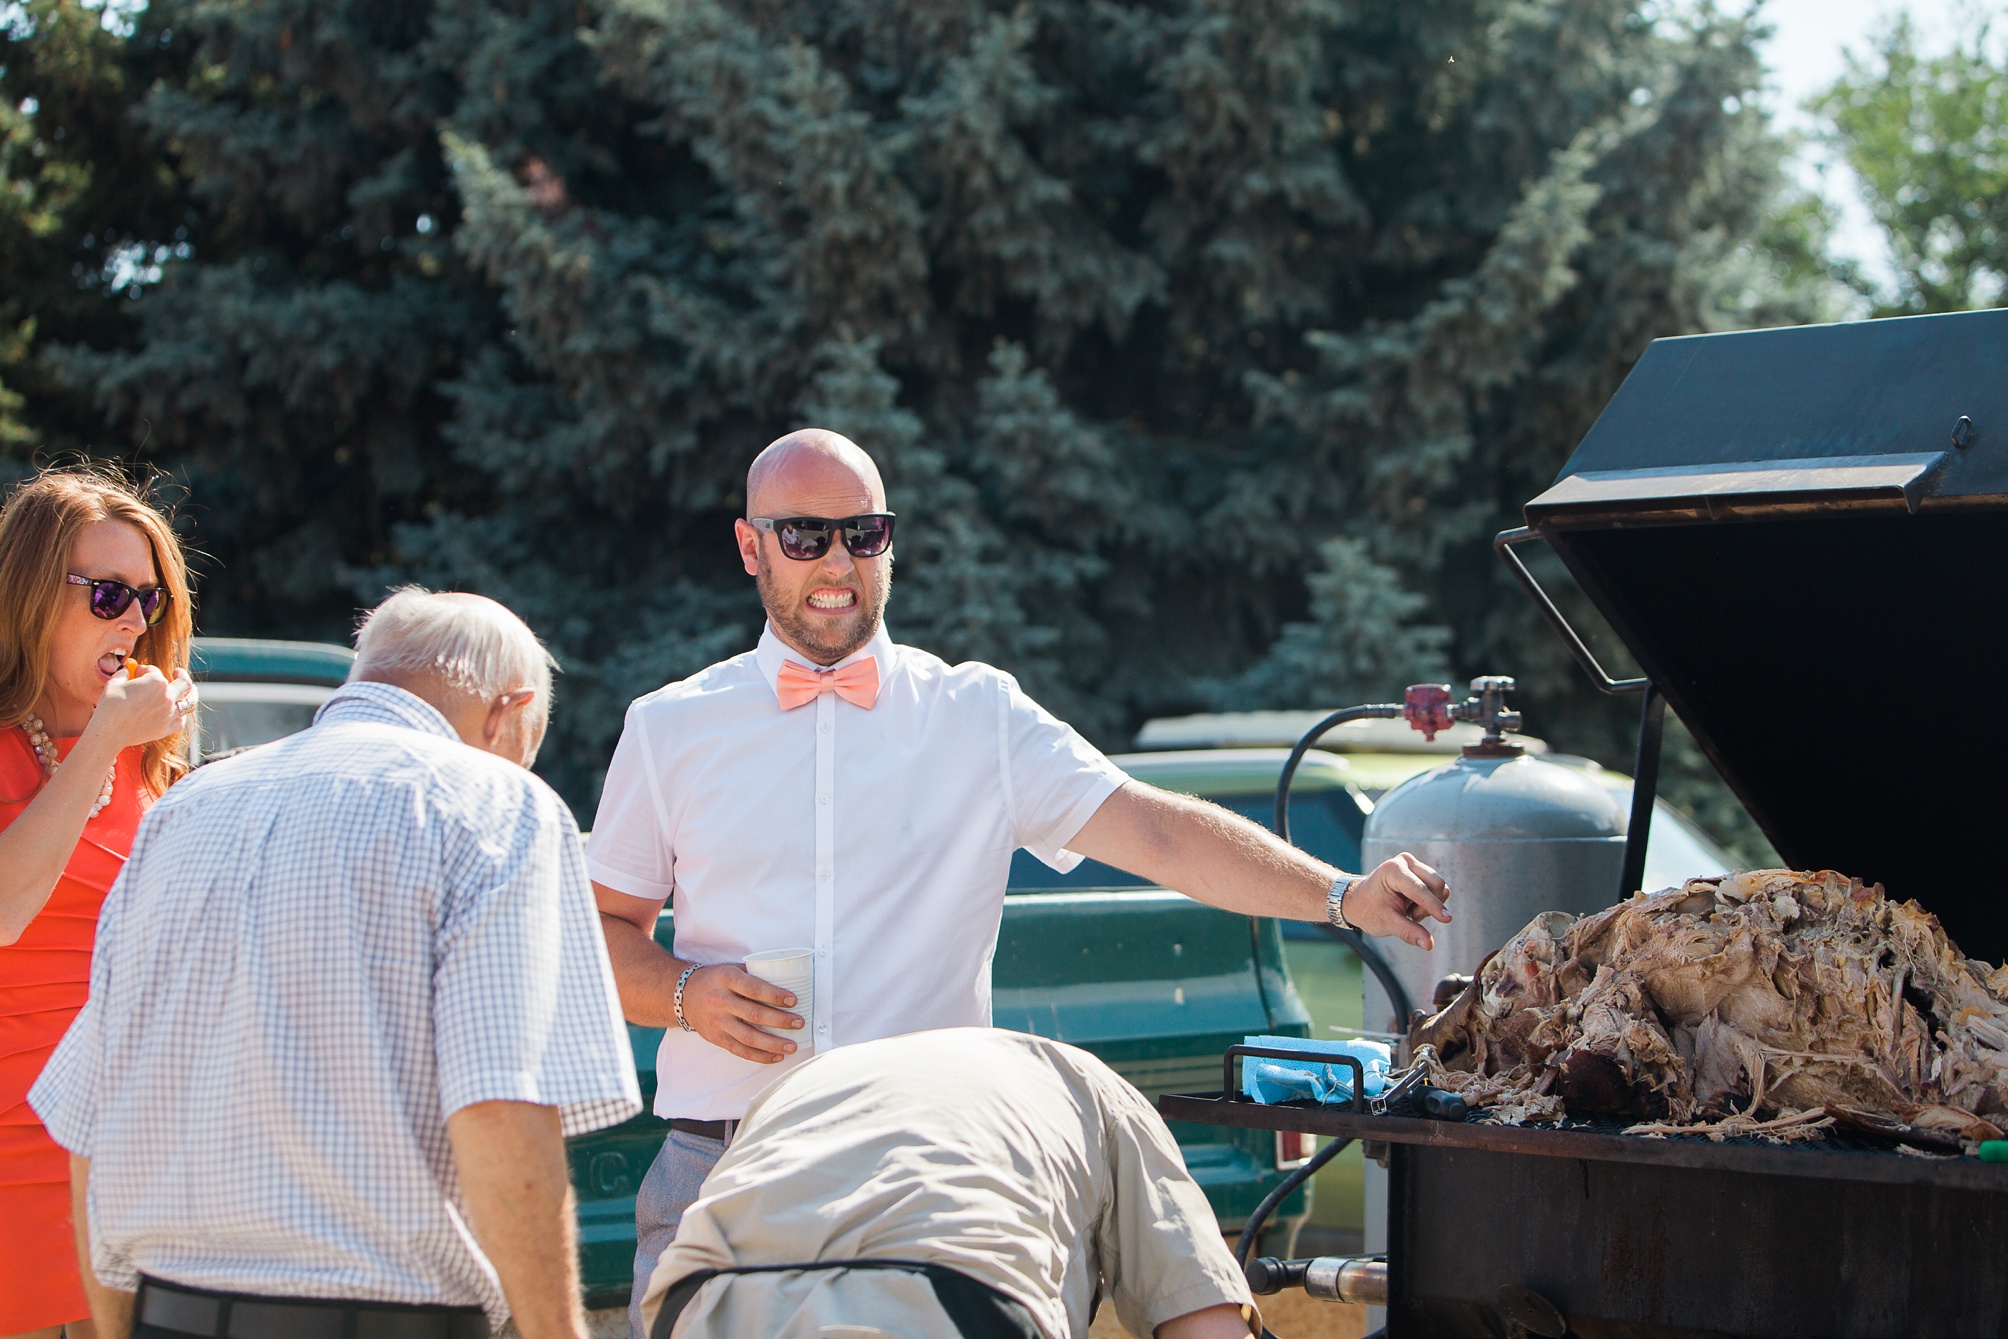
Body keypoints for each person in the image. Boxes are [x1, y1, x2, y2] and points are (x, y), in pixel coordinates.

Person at [588, 428, 1452, 1334]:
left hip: (927, 1166)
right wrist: (687, 993)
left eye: (864, 533)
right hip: (721, 1161)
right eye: (805, 536)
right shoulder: (669, 728)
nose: (838, 560)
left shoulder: (978, 713)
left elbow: (1158, 829)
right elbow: (602, 935)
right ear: (750, 546)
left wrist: (1343, 894)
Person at [28, 589, 641, 1339]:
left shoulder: (180, 812)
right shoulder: (499, 804)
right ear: (506, 711)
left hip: (171, 1310)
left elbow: (90, 1120)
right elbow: (498, 1108)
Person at [638, 1028, 1262, 1339]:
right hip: (947, 1297)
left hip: (702, 1298)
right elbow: (1204, 1323)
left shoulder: (816, 1082)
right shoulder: (1097, 1093)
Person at [0, 468, 198, 1339]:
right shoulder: (98, 744)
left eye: (147, 602)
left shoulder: (144, 761)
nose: (131, 623)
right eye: (108, 593)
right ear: (32, 595)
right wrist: (107, 742)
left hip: (128, 1145)